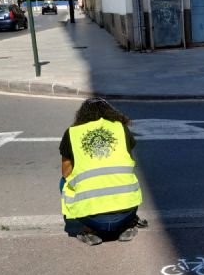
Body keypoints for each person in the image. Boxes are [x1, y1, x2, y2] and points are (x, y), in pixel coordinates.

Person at [59, 97, 145, 245]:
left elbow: (66, 172)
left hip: (92, 218)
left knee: (64, 182)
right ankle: (127, 225)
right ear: (110, 112)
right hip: (127, 212)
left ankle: (89, 230)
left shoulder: (72, 133)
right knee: (126, 175)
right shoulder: (121, 128)